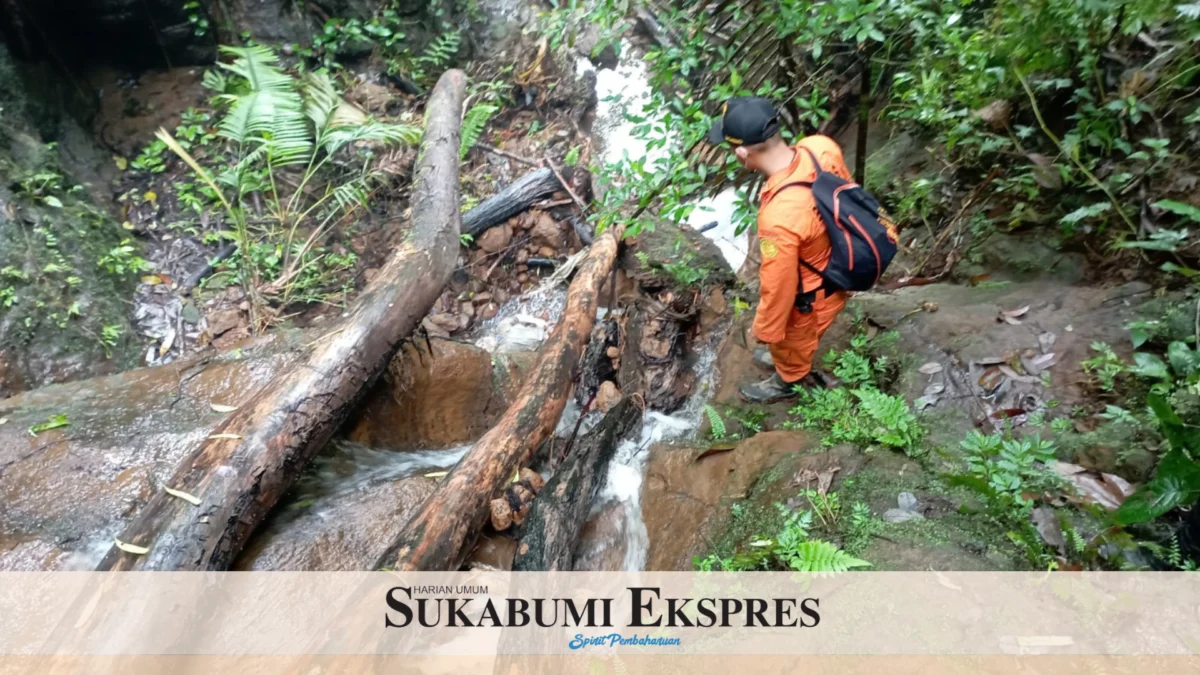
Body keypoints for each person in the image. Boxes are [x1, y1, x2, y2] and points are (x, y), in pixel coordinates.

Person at [707, 97, 851, 404]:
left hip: (817, 291)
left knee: (790, 339)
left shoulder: (779, 216)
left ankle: (787, 380)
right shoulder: (819, 146)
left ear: (742, 152)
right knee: (789, 335)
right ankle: (785, 355)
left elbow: (780, 285)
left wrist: (767, 329)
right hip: (841, 257)